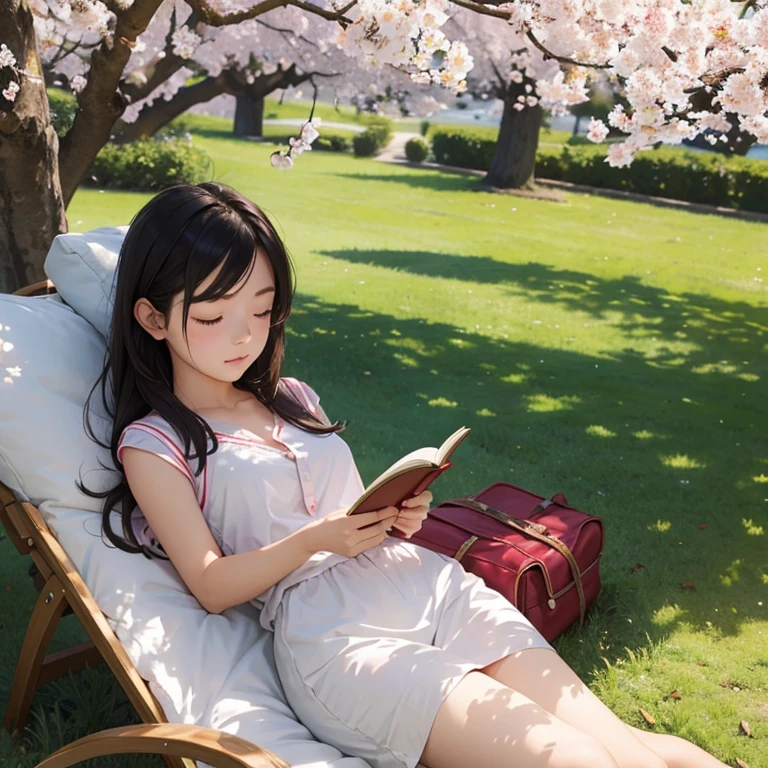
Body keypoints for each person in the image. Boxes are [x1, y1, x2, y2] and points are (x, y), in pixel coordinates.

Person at [82, 182, 729, 768]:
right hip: (339, 643)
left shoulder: (294, 398)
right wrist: (315, 540)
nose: (245, 334)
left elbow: (349, 508)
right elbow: (212, 585)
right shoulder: (155, 444)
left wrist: (395, 515)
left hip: (432, 587)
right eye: (214, 315)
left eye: (262, 307)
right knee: (575, 761)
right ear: (153, 318)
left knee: (635, 753)